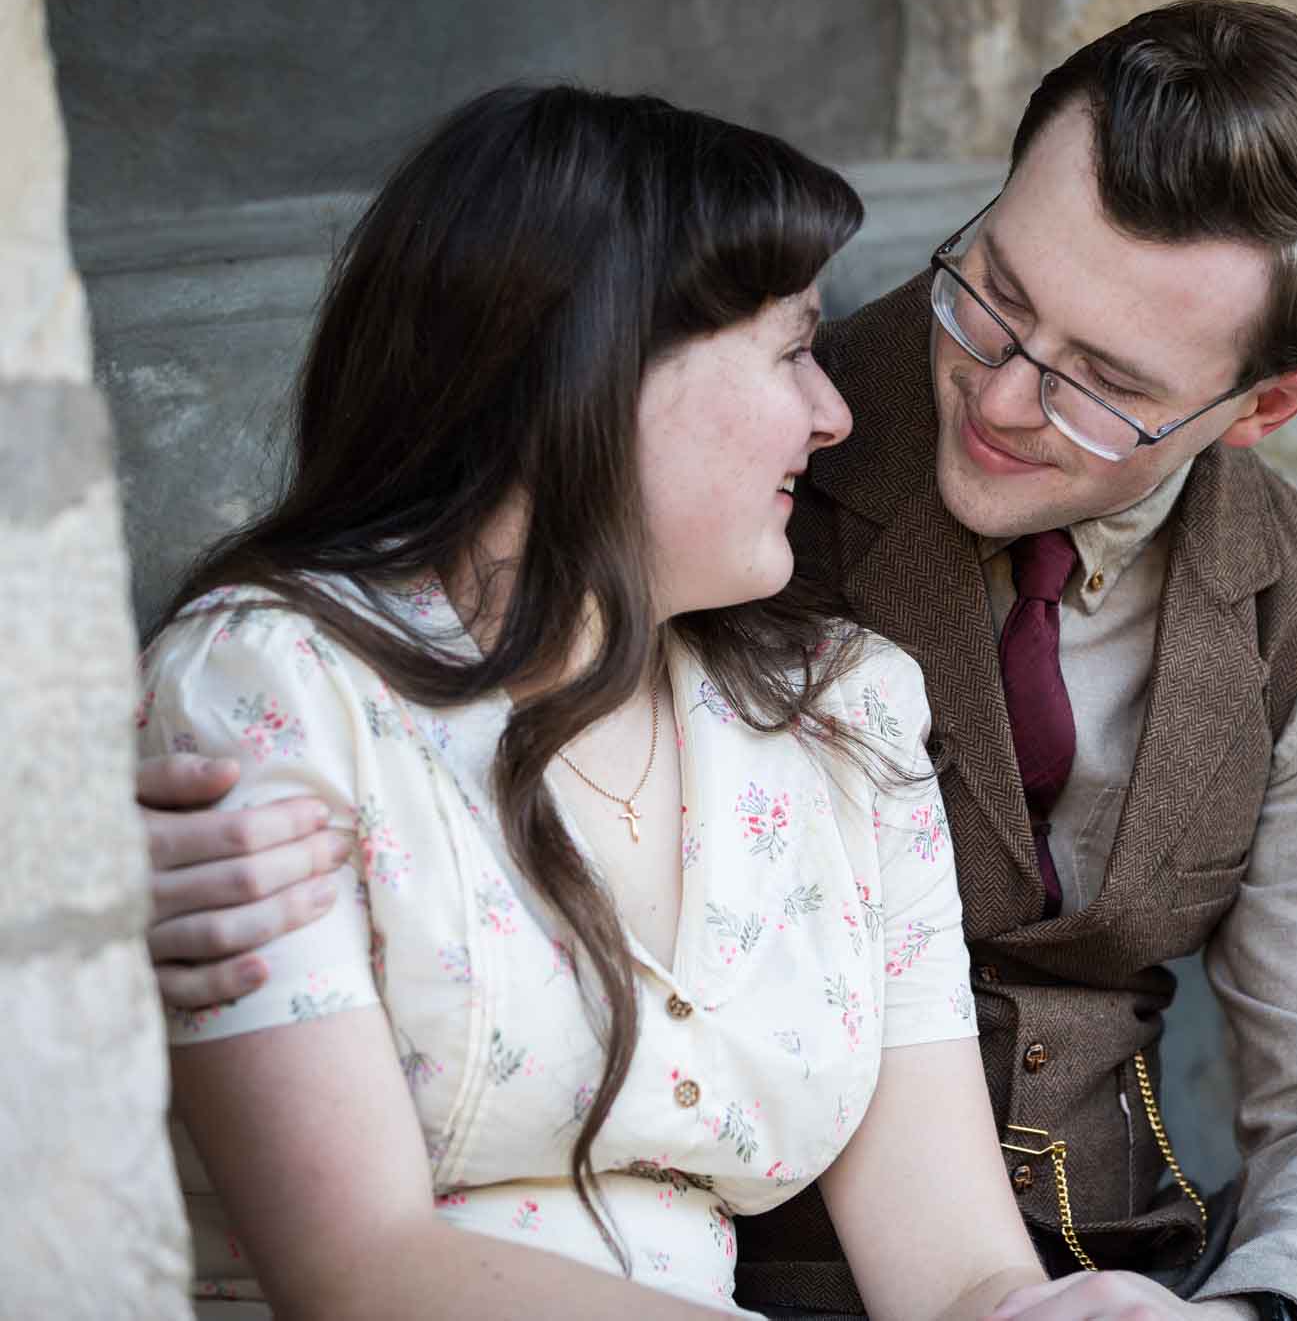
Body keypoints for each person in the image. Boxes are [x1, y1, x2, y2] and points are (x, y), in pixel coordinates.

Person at [137, 1, 1297, 1321]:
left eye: (1105, 384)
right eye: (997, 298)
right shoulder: (350, 666)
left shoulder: (1245, 620)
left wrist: (1237, 1315)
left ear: (1263, 406)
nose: (1006, 394)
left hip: (1124, 1258)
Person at [132, 84, 1047, 1319]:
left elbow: (954, 1267)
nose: (832, 416)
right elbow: (357, 1271)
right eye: (791, 351)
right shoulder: (277, 689)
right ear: (596, 373)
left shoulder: (845, 714)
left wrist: (1060, 1312)